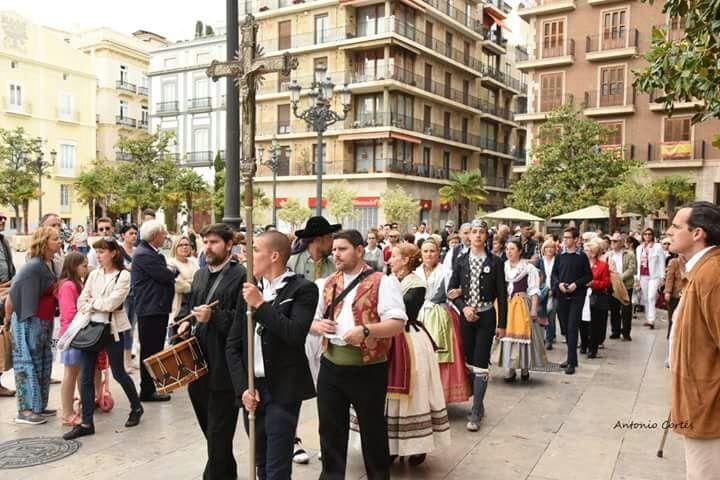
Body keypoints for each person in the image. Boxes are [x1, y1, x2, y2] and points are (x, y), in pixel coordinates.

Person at [312, 229, 407, 479]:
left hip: (369, 369)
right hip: (331, 367)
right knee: (330, 433)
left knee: (373, 433)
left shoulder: (382, 281)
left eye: (342, 249)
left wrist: (366, 331)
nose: (336, 254)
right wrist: (318, 326)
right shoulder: (328, 282)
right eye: (334, 250)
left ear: (359, 250)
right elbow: (310, 321)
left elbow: (397, 323)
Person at [226, 230, 317, 480]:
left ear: (274, 255)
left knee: (276, 466)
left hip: (282, 390)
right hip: (252, 390)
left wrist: (261, 306)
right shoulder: (249, 289)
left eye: (255, 249)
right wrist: (243, 387)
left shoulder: (302, 289)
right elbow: (233, 345)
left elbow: (294, 334)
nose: (247, 254)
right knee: (260, 462)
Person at [363, 242, 450, 466]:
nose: (389, 260)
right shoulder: (385, 280)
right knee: (383, 393)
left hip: (409, 339)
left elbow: (404, 312)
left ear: (406, 260)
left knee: (416, 390)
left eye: (394, 257)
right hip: (386, 337)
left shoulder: (416, 284)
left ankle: (416, 444)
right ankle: (390, 445)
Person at [175, 224, 245, 479]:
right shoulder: (201, 274)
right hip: (198, 365)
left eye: (214, 242)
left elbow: (243, 322)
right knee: (213, 433)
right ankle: (228, 473)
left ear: (229, 245)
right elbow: (188, 306)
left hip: (225, 368)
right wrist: (185, 321)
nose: (208, 247)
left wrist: (213, 316)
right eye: (205, 242)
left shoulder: (242, 276)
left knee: (218, 432)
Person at [63, 238, 143, 439]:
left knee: (118, 373)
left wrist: (93, 302)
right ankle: (87, 422)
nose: (98, 255)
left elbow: (113, 303)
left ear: (113, 253)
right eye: (96, 252)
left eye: (102, 251)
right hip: (90, 329)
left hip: (112, 330)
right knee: (86, 376)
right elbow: (82, 301)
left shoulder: (123, 275)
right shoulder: (94, 274)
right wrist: (94, 303)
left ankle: (136, 407)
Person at [666, 201, 720, 479]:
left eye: (676, 226)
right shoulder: (700, 270)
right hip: (698, 406)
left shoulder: (713, 273)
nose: (669, 231)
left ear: (697, 233)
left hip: (709, 410)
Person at [447, 219, 507, 431]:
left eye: (482, 232)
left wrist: (502, 324)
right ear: (468, 236)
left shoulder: (496, 261)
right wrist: (463, 306)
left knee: (481, 362)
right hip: (466, 316)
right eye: (474, 232)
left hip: (487, 315)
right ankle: (478, 403)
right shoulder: (461, 260)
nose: (478, 235)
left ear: (486, 236)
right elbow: (451, 290)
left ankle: (475, 409)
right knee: (470, 361)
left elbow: (502, 294)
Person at [5, 227, 60, 424]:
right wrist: (8, 318)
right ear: (45, 242)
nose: (59, 241)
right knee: (27, 364)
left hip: (43, 321)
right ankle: (26, 410)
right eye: (55, 239)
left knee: (43, 363)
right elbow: (14, 292)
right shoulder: (33, 266)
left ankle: (38, 406)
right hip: (28, 321)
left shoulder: (49, 263)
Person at [415, 238, 470, 404]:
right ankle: (422, 398)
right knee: (419, 358)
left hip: (439, 315)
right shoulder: (415, 272)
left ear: (439, 253)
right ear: (420, 254)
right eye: (425, 251)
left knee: (440, 357)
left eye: (432, 251)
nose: (429, 254)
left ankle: (440, 398)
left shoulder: (445, 271)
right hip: (418, 316)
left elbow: (452, 295)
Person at [132, 220, 177, 402]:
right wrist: (172, 271)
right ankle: (147, 390)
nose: (165, 236)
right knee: (150, 350)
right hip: (151, 309)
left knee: (155, 349)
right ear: (154, 235)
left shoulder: (149, 252)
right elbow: (166, 275)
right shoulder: (145, 254)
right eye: (163, 233)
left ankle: (154, 385)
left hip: (155, 308)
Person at [496, 239, 547, 382]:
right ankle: (510, 369)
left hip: (521, 304)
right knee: (506, 334)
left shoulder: (528, 268)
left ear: (519, 251)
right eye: (507, 249)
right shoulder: (502, 266)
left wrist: (534, 309)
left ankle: (524, 368)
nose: (509, 252)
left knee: (522, 334)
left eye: (512, 249)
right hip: (505, 304)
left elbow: (534, 290)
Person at [552, 227, 593, 375]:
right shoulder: (559, 256)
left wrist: (576, 284)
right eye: (565, 237)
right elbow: (554, 274)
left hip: (577, 296)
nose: (566, 240)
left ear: (576, 239)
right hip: (562, 295)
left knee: (572, 327)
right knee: (564, 327)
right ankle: (572, 358)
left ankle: (571, 362)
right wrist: (559, 284)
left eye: (569, 237)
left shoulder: (581, 256)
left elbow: (588, 276)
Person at [56, 252, 88, 425]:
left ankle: (76, 408)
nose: (86, 268)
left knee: (77, 373)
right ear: (74, 266)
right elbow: (69, 313)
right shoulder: (69, 285)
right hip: (72, 335)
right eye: (83, 265)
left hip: (75, 334)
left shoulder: (76, 283)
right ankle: (67, 413)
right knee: (70, 373)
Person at [288, 216, 338, 282]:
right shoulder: (292, 263)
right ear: (318, 240)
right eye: (330, 237)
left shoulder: (334, 264)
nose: (333, 241)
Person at [584, 238, 611, 359]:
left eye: (587, 250)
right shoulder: (582, 264)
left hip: (596, 296)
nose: (585, 252)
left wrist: (592, 283)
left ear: (594, 252)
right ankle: (584, 344)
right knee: (582, 322)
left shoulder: (603, 265)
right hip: (582, 296)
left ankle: (593, 348)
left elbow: (606, 283)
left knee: (594, 324)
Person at [0, 212, 17, 397]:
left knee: (3, 339)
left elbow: (10, 266)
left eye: (4, 219)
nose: (3, 221)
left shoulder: (3, 241)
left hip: (6, 293)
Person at [634, 228, 665, 329]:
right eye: (645, 234)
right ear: (643, 236)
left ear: (652, 235)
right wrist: (637, 277)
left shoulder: (658, 247)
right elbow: (638, 263)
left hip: (654, 276)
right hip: (643, 275)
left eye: (649, 234)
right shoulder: (639, 248)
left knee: (651, 296)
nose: (647, 236)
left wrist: (662, 277)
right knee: (646, 298)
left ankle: (652, 319)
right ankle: (648, 318)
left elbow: (661, 262)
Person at [608, 232, 636, 341]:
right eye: (612, 241)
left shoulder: (629, 254)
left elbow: (631, 269)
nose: (613, 243)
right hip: (612, 285)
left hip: (625, 285)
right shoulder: (609, 255)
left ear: (621, 242)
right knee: (614, 309)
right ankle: (615, 331)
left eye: (615, 241)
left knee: (626, 310)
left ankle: (626, 332)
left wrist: (620, 278)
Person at [118, 224, 139, 372]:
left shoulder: (138, 252)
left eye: (135, 233)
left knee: (131, 328)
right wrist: (127, 268)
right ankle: (120, 362)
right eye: (131, 233)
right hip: (123, 294)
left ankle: (128, 361)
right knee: (122, 328)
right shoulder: (118, 252)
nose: (134, 236)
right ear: (123, 235)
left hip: (136, 293)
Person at [167, 236, 200, 323]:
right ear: (175, 247)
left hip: (195, 305)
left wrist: (187, 281)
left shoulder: (194, 261)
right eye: (180, 245)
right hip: (178, 306)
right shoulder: (170, 263)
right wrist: (193, 283)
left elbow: (201, 279)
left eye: (186, 244)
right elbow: (177, 285)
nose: (184, 247)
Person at [536, 239, 557, 349]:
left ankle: (549, 339)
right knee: (541, 314)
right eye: (547, 247)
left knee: (551, 314)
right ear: (543, 249)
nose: (550, 249)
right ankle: (541, 338)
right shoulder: (540, 261)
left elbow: (559, 276)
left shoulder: (557, 261)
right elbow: (536, 276)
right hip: (541, 291)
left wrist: (553, 289)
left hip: (554, 291)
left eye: (552, 247)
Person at [663, 253, 686, 340]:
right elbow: (669, 277)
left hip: (686, 294)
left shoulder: (692, 262)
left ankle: (682, 335)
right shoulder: (674, 262)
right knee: (672, 317)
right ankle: (671, 335)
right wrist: (668, 291)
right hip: (675, 294)